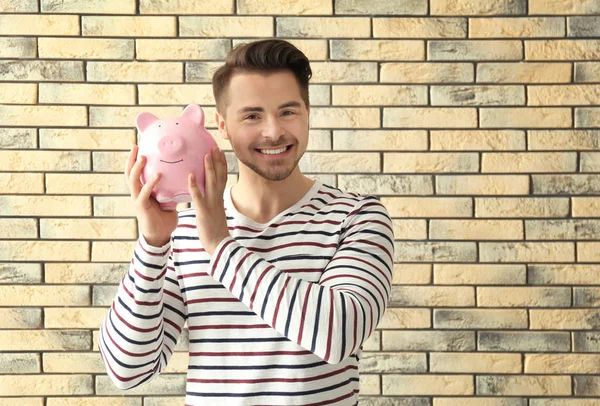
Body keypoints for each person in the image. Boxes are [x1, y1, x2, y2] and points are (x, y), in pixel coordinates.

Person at [99, 39, 395, 406]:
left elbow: (337, 334)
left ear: (307, 112)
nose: (273, 132)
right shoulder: (184, 231)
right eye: (252, 116)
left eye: (288, 111)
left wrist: (221, 247)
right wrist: (152, 245)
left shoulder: (357, 217)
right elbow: (127, 370)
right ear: (221, 126)